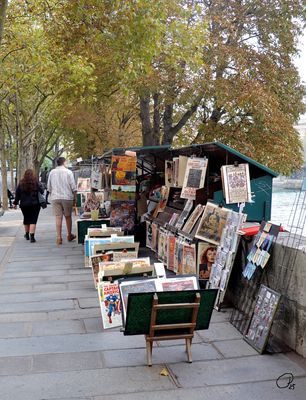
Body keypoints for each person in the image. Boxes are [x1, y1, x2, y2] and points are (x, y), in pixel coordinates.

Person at [47, 157, 77, 245]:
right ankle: (69, 235)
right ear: (64, 162)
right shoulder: (68, 172)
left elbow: (49, 187)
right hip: (67, 197)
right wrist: (75, 197)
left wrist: (52, 194)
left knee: (58, 217)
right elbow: (73, 186)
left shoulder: (52, 172)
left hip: (55, 197)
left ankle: (59, 237)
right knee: (68, 216)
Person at [13, 169, 44, 243]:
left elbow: (17, 194)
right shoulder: (36, 182)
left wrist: (15, 203)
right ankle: (32, 237)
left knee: (26, 219)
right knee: (33, 220)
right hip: (35, 204)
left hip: (24, 205)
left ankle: (27, 235)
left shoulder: (21, 183)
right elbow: (42, 191)